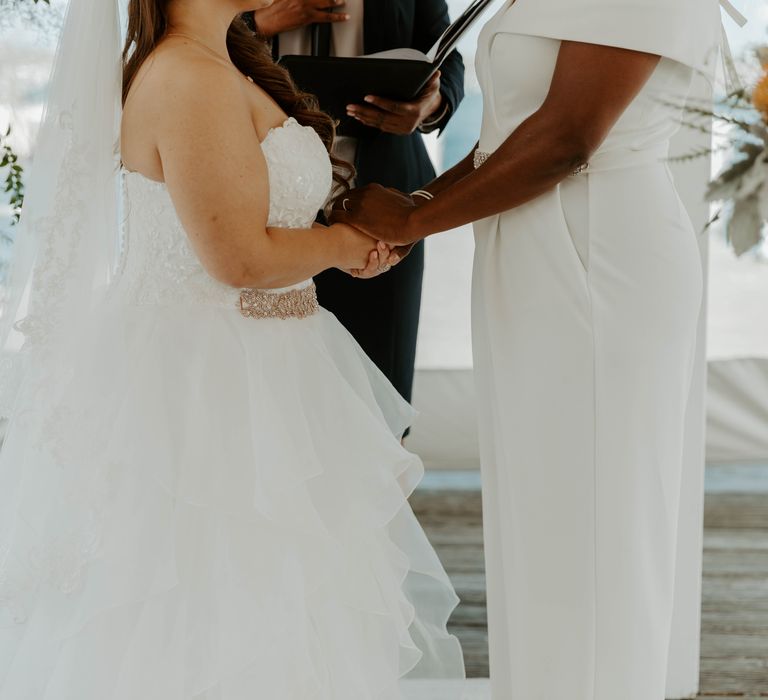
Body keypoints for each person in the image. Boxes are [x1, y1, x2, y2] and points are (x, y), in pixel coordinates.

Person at [0, 0, 465, 696]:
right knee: (215, 600)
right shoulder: (189, 76)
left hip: (268, 365)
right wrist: (345, 246)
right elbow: (240, 258)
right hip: (208, 385)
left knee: (287, 604)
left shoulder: (228, 65)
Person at [331, 0, 723, 697]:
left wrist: (416, 218)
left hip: (599, 248)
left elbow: (568, 137)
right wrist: (417, 204)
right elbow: (507, 142)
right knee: (545, 512)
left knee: (598, 518)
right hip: (538, 238)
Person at [250, 0, 465, 404]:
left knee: (380, 387)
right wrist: (262, 22)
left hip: (385, 189)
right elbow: (192, 28)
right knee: (277, 391)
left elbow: (445, 56)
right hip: (268, 183)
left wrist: (426, 108)